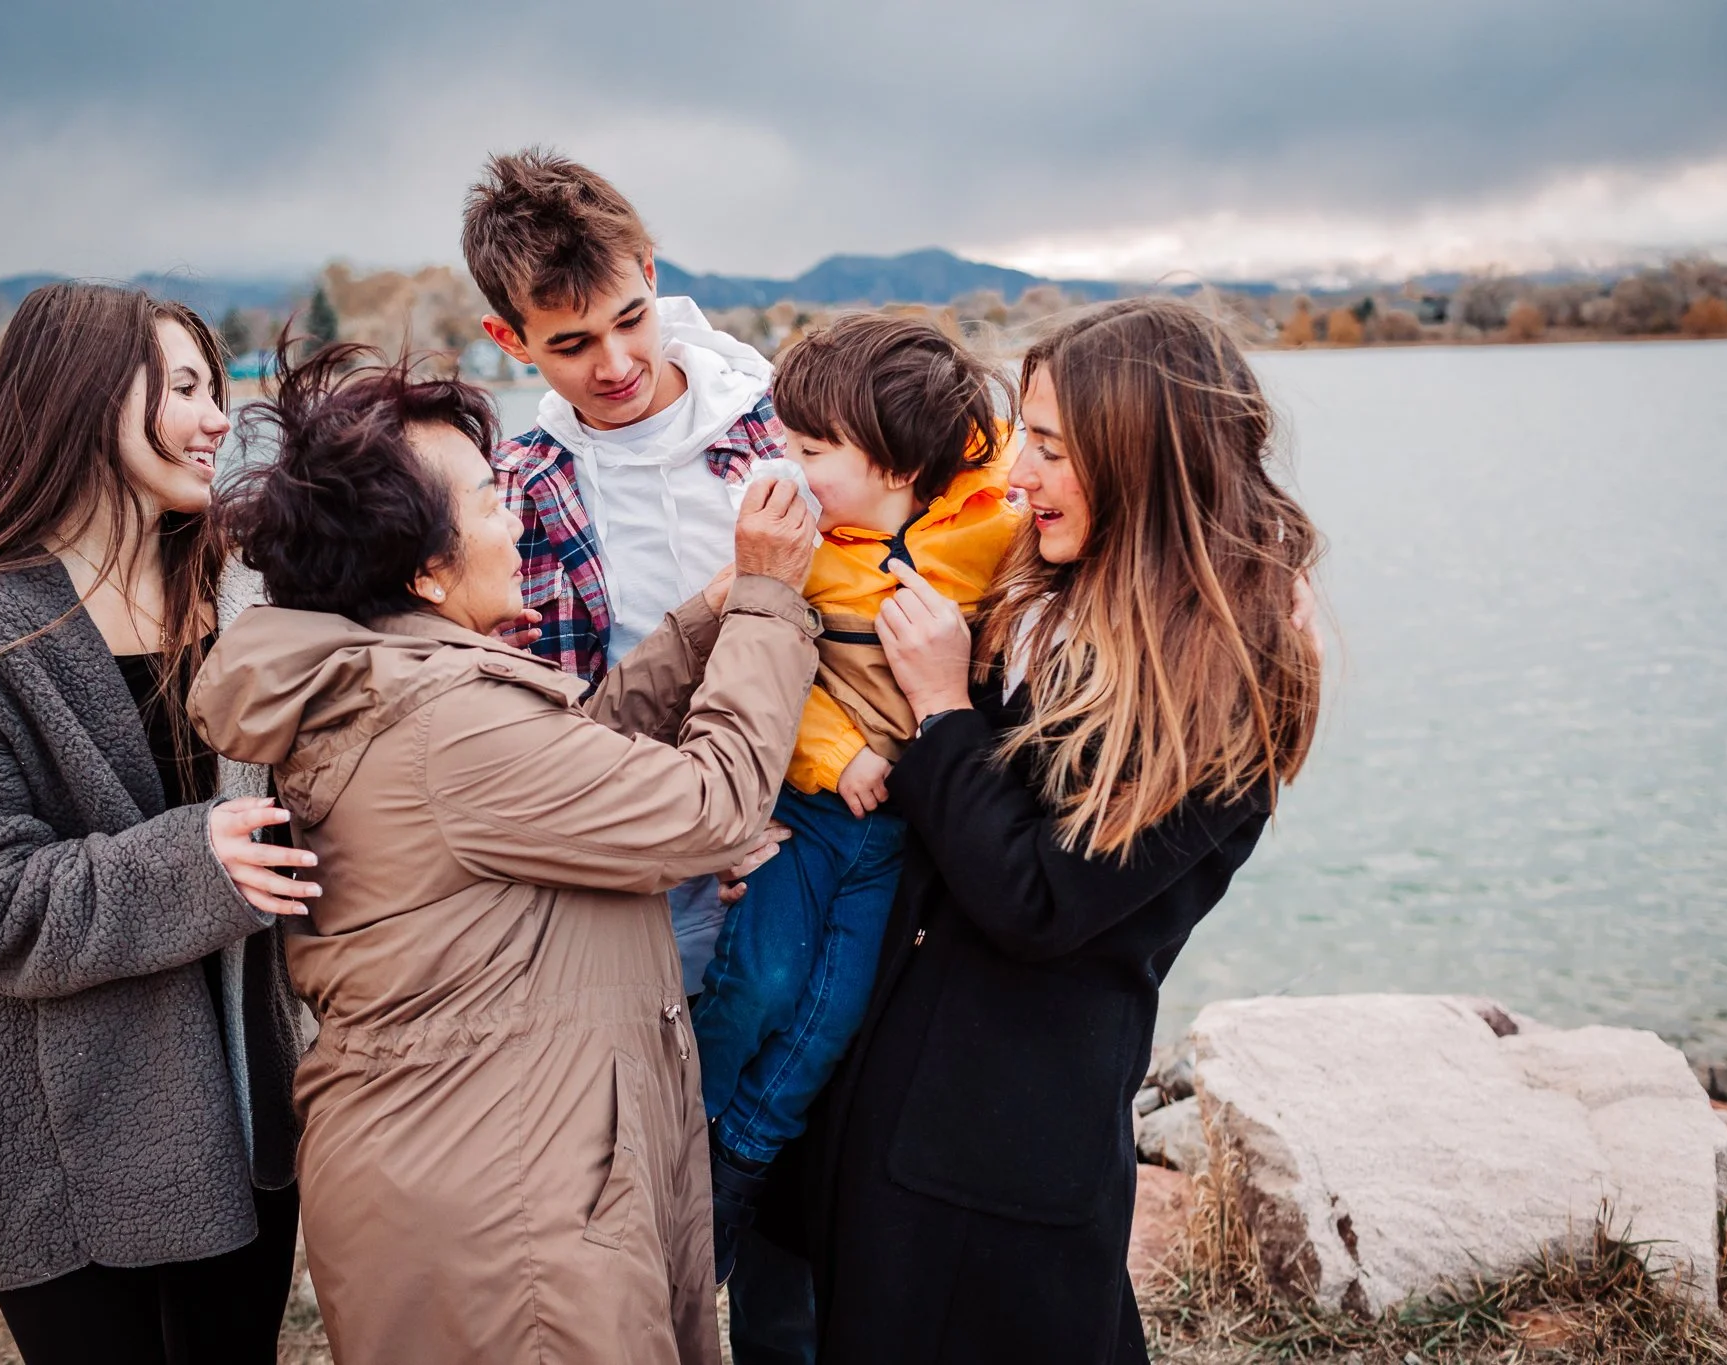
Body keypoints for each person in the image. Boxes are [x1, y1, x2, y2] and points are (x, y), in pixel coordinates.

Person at [186, 340, 821, 1365]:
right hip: (506, 1215)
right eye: (488, 502)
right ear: (427, 570)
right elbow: (707, 809)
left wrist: (705, 615)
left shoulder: (394, 678)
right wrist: (767, 601)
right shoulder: (442, 727)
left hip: (497, 1167)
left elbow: (577, 769)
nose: (514, 515)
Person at [805, 297, 1324, 1362]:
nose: (1015, 475)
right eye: (1021, 440)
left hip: (1005, 1147)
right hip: (901, 1107)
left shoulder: (1224, 684)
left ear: (1141, 458)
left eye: (1047, 447)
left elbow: (1039, 900)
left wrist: (942, 707)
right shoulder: (1046, 599)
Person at [0, 282, 313, 1364]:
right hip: (72, 1145)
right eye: (185, 386)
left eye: (214, 387)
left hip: (243, 1109)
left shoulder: (234, 594)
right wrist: (194, 865)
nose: (218, 418)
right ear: (86, 399)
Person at [691, 314, 1019, 1284]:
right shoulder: (802, 545)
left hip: (909, 832)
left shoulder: (998, 528)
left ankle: (736, 1171)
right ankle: (680, 1140)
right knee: (758, 981)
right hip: (818, 811)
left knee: (831, 1011)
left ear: (893, 461)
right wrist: (836, 759)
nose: (784, 466)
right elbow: (768, 671)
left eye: (808, 449)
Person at [462, 147, 789, 989]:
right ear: (510, 339)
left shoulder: (788, 425)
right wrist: (698, 831)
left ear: (650, 273)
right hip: (634, 899)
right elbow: (539, 730)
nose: (614, 364)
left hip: (814, 845)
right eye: (571, 344)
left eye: (631, 319)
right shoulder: (512, 491)